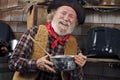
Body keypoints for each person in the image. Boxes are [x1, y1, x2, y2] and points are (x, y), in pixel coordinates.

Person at [8, 0, 87, 80]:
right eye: (63, 13)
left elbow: (77, 78)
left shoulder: (73, 43)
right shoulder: (34, 32)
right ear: (53, 15)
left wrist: (77, 66)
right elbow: (13, 63)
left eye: (71, 16)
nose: (66, 18)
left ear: (75, 22)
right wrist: (36, 64)